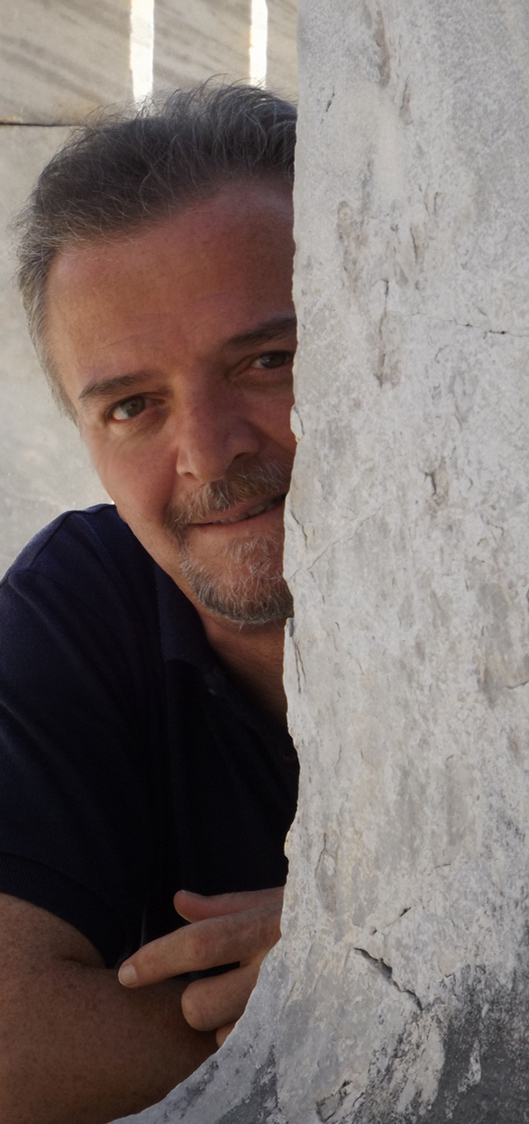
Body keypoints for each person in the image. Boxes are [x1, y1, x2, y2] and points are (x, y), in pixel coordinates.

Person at [0, 85, 299, 1123]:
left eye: (268, 361)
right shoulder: (79, 601)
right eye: (133, 406)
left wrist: (367, 954)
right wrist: (338, 993)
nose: (209, 453)